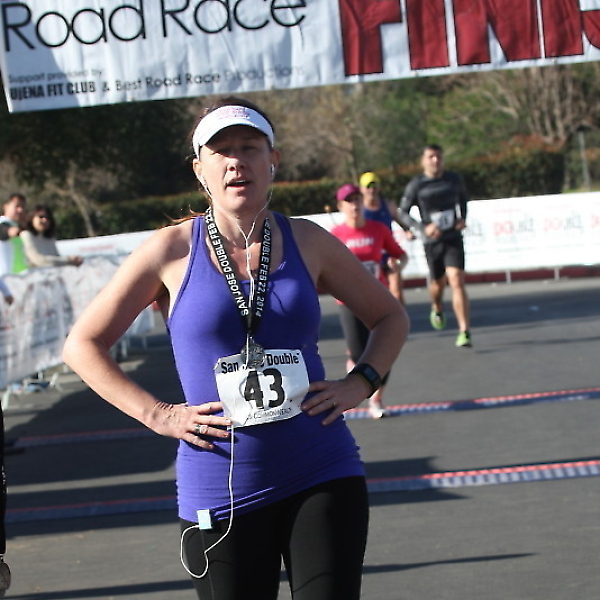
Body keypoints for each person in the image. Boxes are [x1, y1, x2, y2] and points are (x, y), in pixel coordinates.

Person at [63, 97, 409, 600]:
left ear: (273, 161)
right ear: (199, 169)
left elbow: (391, 316)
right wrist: (158, 414)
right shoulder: (169, 250)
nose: (236, 161)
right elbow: (82, 345)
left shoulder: (308, 241)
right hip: (220, 484)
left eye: (250, 148)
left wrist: (362, 383)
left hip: (322, 468)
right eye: (221, 151)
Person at [331, 184, 408, 419]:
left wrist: (397, 265)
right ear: (341, 206)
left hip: (377, 298)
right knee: (358, 353)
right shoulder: (335, 234)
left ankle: (377, 399)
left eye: (357, 199)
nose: (354, 205)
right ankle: (354, 363)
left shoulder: (378, 229)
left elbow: (400, 255)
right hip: (348, 301)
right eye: (349, 201)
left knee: (383, 351)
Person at [398, 144, 472, 347]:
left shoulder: (454, 179)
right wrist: (423, 228)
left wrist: (462, 218)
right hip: (432, 241)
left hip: (452, 237)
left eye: (438, 156)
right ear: (423, 161)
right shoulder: (417, 184)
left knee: (456, 280)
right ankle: (437, 305)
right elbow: (402, 212)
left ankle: (464, 330)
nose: (435, 160)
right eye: (431, 157)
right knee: (438, 284)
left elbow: (464, 200)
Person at [360, 171, 412, 305]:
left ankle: (399, 316)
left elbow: (400, 220)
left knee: (396, 292)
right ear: (362, 189)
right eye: (368, 186)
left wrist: (407, 231)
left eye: (374, 186)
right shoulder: (359, 209)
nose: (372, 190)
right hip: (370, 255)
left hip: (388, 253)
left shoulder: (388, 205)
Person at [0, 193, 28, 277]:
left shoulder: (16, 225)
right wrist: (21, 232)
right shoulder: (2, 223)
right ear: (6, 206)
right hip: (5, 278)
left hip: (18, 277)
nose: (20, 210)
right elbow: (6, 231)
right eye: (17, 206)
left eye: (22, 207)